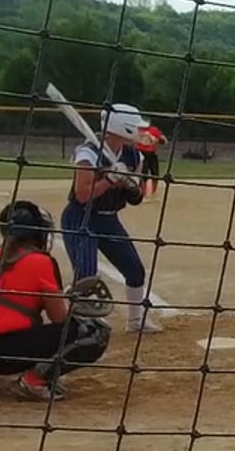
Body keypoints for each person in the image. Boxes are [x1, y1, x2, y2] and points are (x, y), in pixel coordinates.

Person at [0, 200, 112, 401]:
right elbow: (59, 318)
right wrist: (72, 305)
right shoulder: (41, 261)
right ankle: (34, 381)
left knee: (10, 317)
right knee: (94, 332)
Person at [63, 104, 162, 333]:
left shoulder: (133, 155)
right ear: (122, 127)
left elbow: (136, 199)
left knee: (135, 270)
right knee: (86, 274)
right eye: (135, 127)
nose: (139, 131)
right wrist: (109, 179)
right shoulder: (88, 152)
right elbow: (82, 194)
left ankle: (136, 321)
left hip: (109, 219)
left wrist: (130, 185)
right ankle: (76, 316)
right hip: (80, 218)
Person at [135, 124, 165, 200]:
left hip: (151, 154)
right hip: (141, 153)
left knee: (155, 174)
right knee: (143, 174)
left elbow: (163, 140)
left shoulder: (153, 129)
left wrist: (158, 140)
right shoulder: (138, 129)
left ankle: (153, 195)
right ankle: (143, 194)